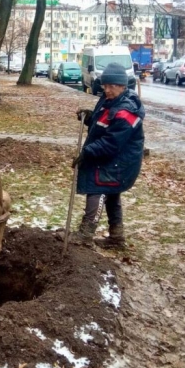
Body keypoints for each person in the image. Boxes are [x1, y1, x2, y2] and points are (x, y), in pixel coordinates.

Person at [71, 62, 145, 249]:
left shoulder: (126, 110)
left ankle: (85, 234)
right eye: (105, 85)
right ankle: (116, 238)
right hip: (113, 159)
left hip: (120, 162)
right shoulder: (109, 100)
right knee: (111, 194)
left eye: (113, 86)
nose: (108, 90)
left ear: (123, 86)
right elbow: (103, 124)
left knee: (98, 190)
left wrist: (86, 152)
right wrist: (90, 118)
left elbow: (111, 143)